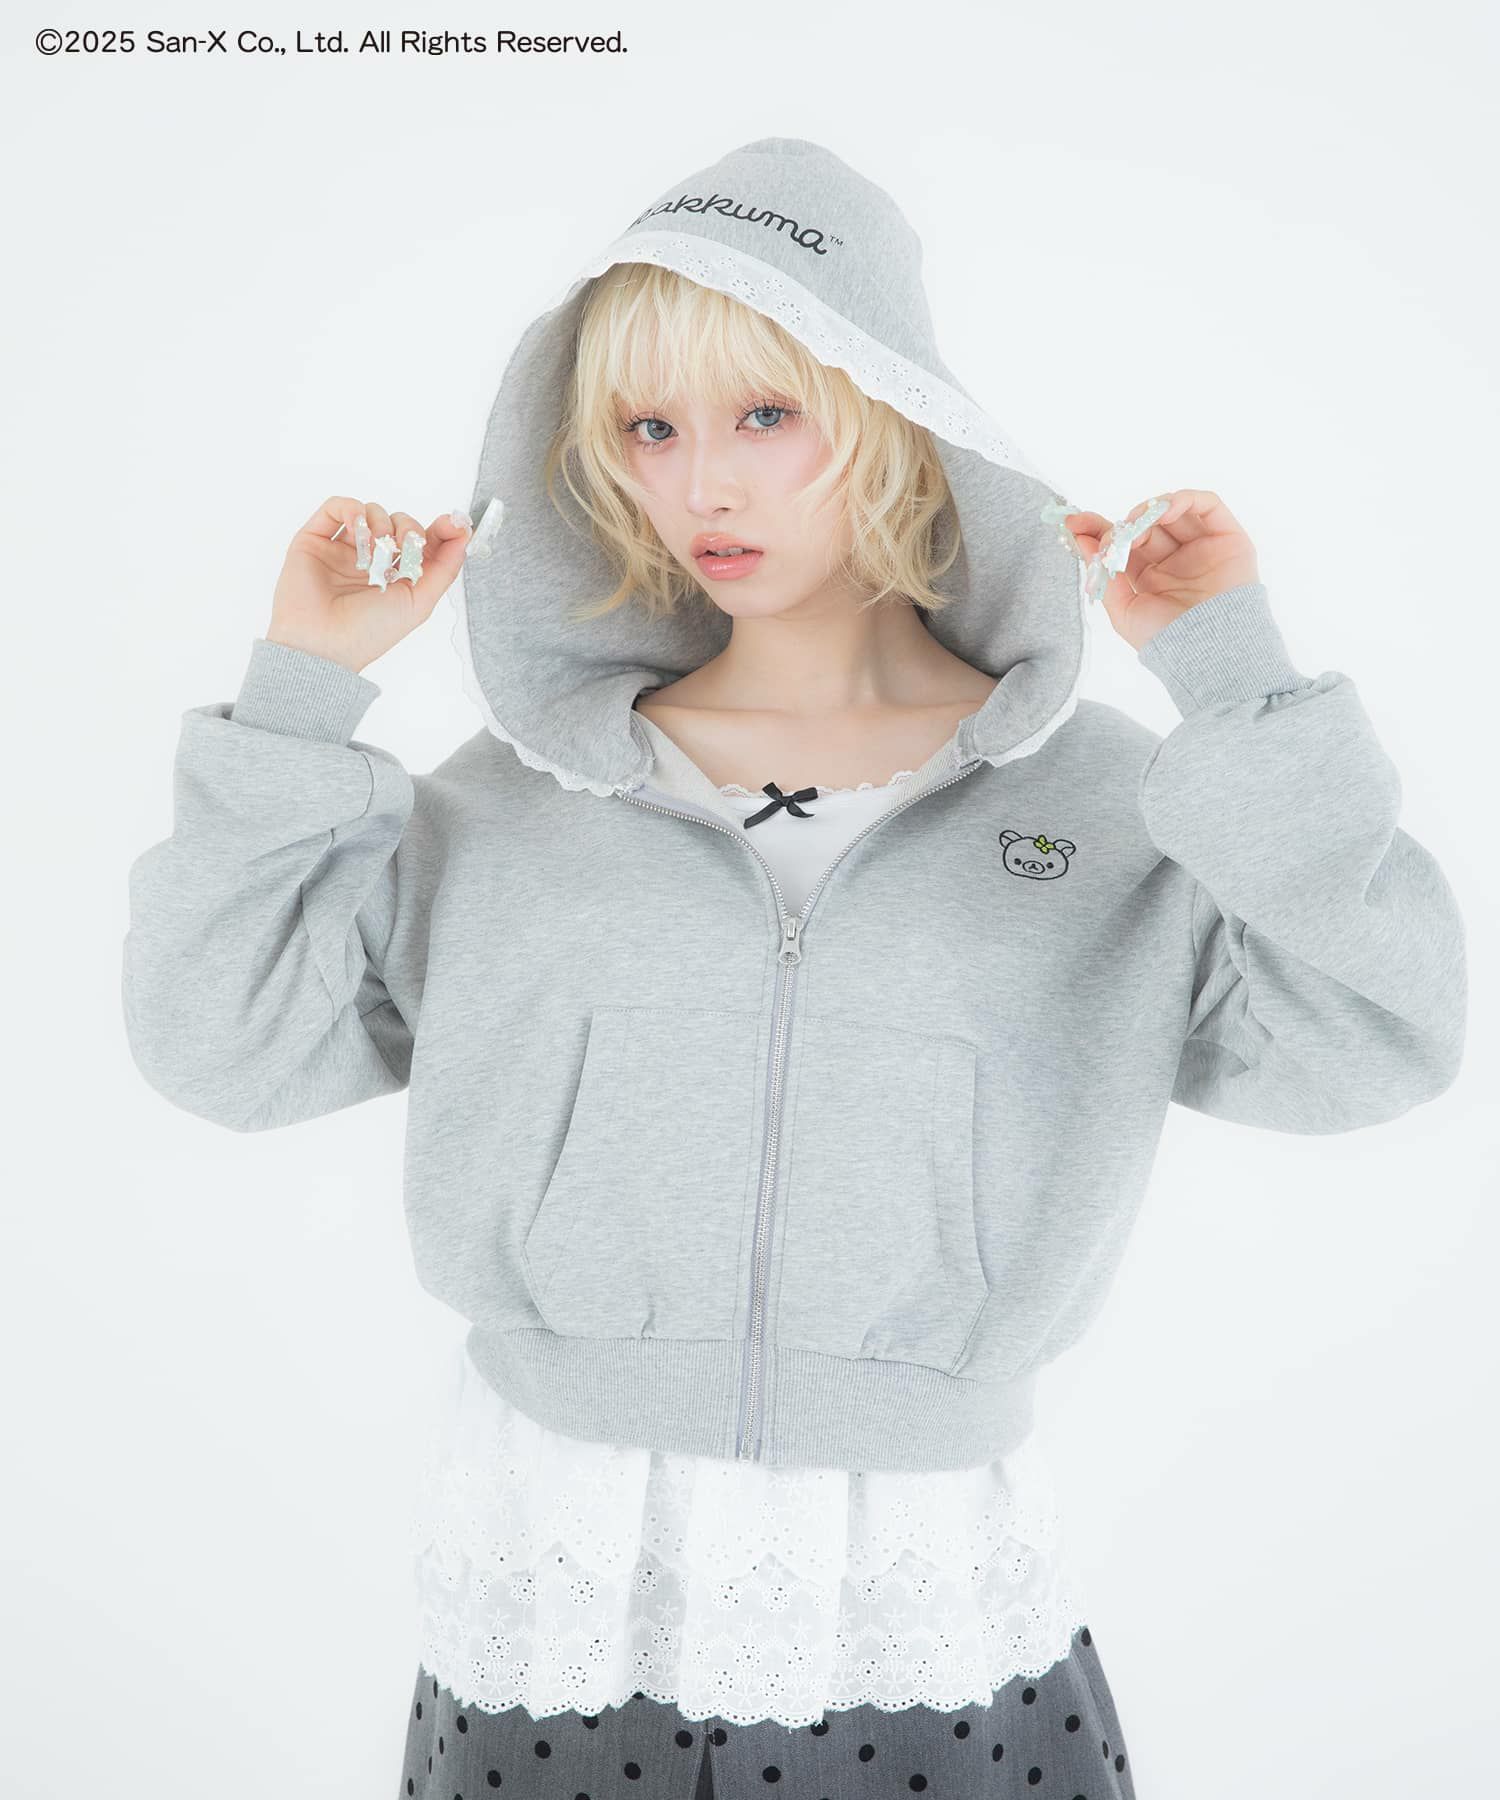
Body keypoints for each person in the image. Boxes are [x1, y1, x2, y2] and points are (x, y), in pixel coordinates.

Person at [122, 137, 1467, 1800]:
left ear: (896, 411)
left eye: (764, 414)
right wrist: (299, 695)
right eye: (649, 429)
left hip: (920, 1591)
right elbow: (222, 1047)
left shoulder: (1102, 808)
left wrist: (1234, 681)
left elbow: (1380, 1034)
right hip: (557, 1576)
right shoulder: (515, 799)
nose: (704, 485)